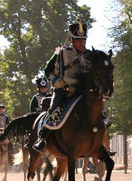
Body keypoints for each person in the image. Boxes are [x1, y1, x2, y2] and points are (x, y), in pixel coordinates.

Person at [34, 19, 91, 150]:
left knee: (98, 112)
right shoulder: (61, 53)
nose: (82, 43)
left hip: (81, 92)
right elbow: (47, 71)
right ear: (72, 40)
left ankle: (103, 142)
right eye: (78, 40)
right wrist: (54, 81)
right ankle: (42, 139)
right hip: (62, 91)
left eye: (83, 40)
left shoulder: (89, 55)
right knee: (53, 111)